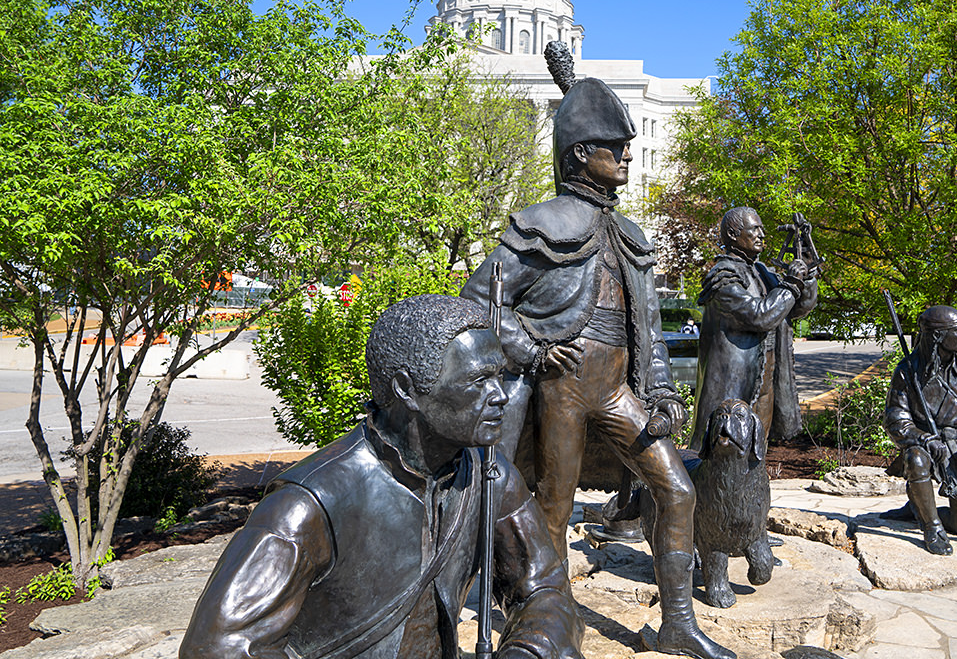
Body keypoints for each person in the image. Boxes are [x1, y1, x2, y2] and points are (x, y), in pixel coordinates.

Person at [462, 55, 734, 659]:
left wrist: (660, 391)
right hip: (560, 392)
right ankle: (553, 628)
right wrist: (529, 349)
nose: (630, 156)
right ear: (583, 153)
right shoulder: (539, 225)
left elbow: (649, 327)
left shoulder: (629, 234)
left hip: (616, 392)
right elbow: (478, 304)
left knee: (678, 490)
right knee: (553, 514)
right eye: (618, 146)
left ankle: (677, 624)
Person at [179, 295, 583, 659]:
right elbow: (216, 648)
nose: (501, 395)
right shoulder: (305, 507)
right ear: (407, 389)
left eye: (500, 376)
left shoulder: (491, 475)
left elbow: (545, 590)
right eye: (479, 381)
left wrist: (527, 652)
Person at [687, 207, 817, 450]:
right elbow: (760, 316)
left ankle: (751, 487)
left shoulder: (764, 273)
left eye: (762, 229)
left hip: (765, 376)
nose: (762, 234)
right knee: (724, 448)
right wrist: (791, 284)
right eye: (754, 229)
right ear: (734, 234)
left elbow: (796, 308)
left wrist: (806, 277)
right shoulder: (724, 276)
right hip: (735, 381)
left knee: (758, 447)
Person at [885, 304, 957, 555]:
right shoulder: (906, 371)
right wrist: (924, 439)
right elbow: (896, 419)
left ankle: (919, 506)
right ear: (938, 336)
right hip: (926, 446)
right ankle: (932, 526)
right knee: (915, 458)